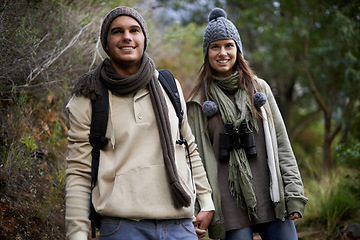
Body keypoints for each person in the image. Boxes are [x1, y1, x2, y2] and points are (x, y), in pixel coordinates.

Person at [65, 6, 214, 240]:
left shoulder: (168, 85)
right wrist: (77, 234)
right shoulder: (89, 96)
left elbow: (188, 148)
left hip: (180, 225)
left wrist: (206, 201)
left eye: (134, 30)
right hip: (121, 227)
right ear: (106, 43)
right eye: (117, 31)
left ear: (144, 39)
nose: (127, 37)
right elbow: (78, 172)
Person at [187, 7, 308, 240]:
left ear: (238, 49)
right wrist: (198, 207)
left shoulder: (260, 89)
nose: (222, 53)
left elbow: (282, 142)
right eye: (215, 47)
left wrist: (293, 192)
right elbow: (195, 162)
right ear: (207, 52)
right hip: (229, 207)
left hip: (271, 198)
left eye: (228, 45)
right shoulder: (197, 102)